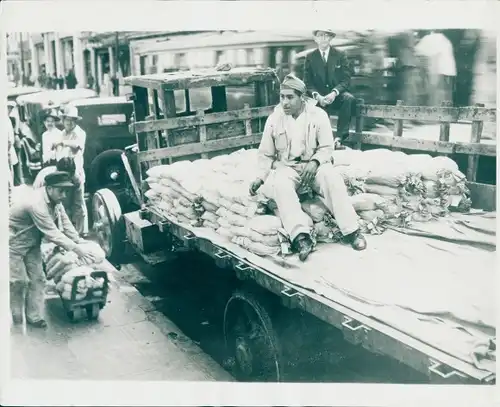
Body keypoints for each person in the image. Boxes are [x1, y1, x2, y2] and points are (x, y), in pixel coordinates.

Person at [249, 74, 366, 262]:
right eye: (282, 97)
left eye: (290, 97)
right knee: (280, 183)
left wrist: (315, 162)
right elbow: (266, 154)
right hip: (289, 167)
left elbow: (327, 147)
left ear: (301, 97)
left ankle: (352, 231)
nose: (285, 102)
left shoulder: (318, 115)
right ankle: (301, 237)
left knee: (332, 179)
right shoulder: (274, 118)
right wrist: (260, 178)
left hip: (315, 166)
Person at [9, 171, 92, 327]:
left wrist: (78, 240)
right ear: (50, 188)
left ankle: (33, 317)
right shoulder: (36, 203)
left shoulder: (55, 201)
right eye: (61, 190)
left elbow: (65, 224)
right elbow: (52, 232)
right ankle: (17, 317)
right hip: (12, 243)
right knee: (18, 281)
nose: (64, 195)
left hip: (31, 242)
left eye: (66, 191)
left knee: (39, 279)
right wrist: (77, 249)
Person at [303, 29, 355, 147]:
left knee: (348, 99)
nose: (324, 38)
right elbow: (307, 82)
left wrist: (334, 93)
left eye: (327, 36)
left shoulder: (340, 55)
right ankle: (319, 141)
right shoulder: (310, 57)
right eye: (320, 35)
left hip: (336, 96)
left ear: (331, 39)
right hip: (319, 97)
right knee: (308, 106)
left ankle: (339, 139)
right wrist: (317, 95)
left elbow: (346, 80)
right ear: (315, 39)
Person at [54, 106, 88, 236]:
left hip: (75, 173)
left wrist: (63, 142)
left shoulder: (80, 132)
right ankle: (69, 231)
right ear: (63, 120)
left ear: (76, 121)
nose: (69, 123)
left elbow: (77, 146)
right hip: (63, 174)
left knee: (78, 203)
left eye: (72, 120)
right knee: (64, 201)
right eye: (67, 120)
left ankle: (82, 231)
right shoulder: (61, 133)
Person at [33, 157, 80, 225]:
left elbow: (78, 203)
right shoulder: (43, 176)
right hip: (42, 199)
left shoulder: (76, 179)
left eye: (68, 176)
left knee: (66, 215)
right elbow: (36, 199)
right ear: (57, 169)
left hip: (60, 198)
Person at [415, 30, 457, 106]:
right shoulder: (444, 39)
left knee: (436, 102)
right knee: (446, 102)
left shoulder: (429, 39)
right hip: (448, 75)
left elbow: (422, 55)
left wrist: (432, 80)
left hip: (438, 75)